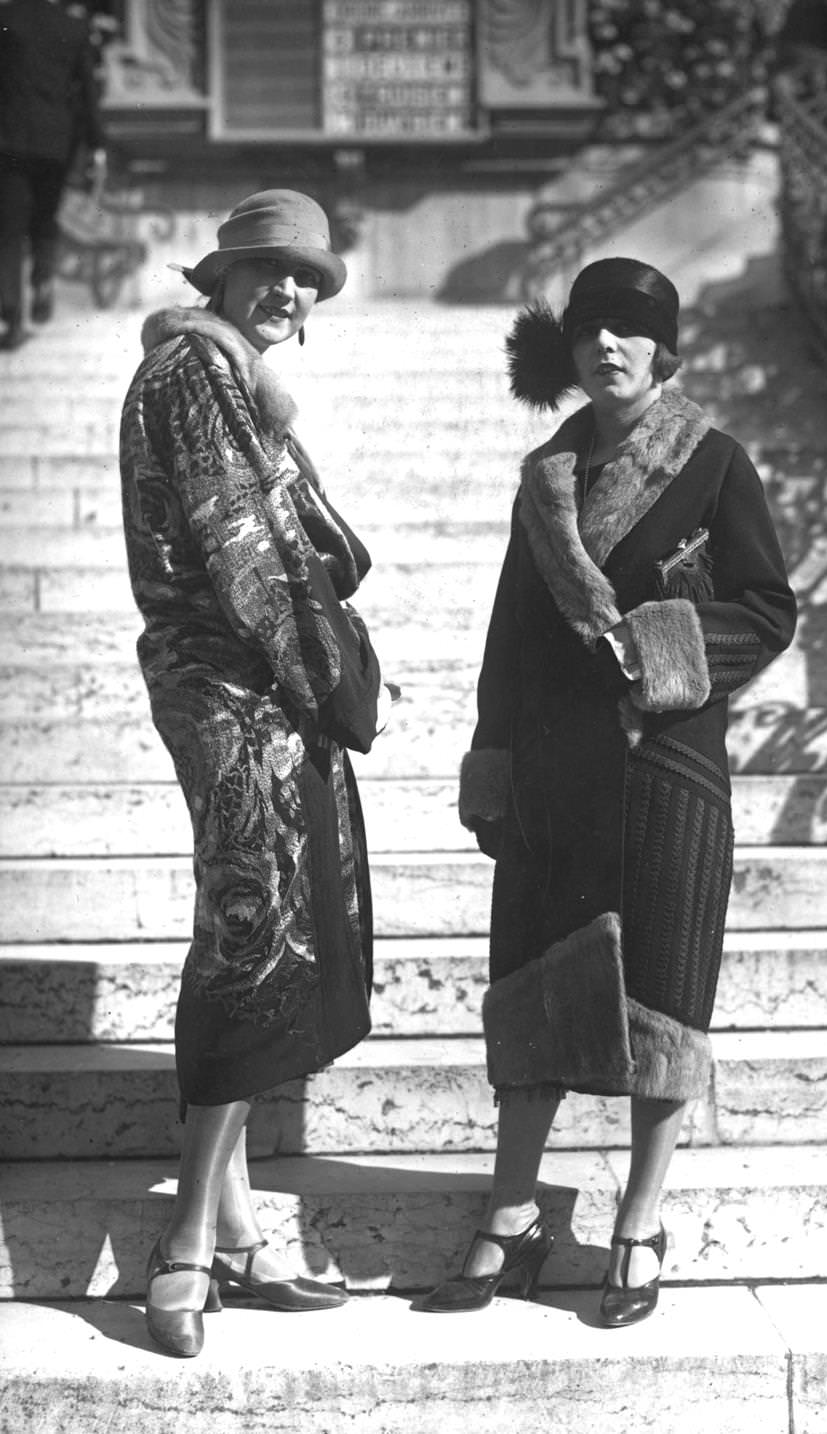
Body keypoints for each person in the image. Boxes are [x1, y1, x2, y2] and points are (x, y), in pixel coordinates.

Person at [419, 258, 796, 1326]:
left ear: (661, 348)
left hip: (667, 765)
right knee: (535, 986)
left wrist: (659, 652)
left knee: (663, 999)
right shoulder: (545, 476)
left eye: (629, 331)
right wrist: (492, 764)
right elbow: (508, 639)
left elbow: (766, 609)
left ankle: (638, 1220)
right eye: (590, 332)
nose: (608, 348)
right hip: (549, 770)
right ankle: (511, 1213)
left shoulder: (714, 463)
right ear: (569, 351)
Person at [119, 189, 390, 1358]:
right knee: (250, 933)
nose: (287, 292)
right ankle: (184, 1242)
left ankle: (229, 1227)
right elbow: (243, 547)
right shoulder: (196, 374)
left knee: (263, 923)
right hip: (237, 683)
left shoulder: (221, 374)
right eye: (268, 272)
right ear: (219, 280)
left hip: (249, 685)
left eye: (306, 279)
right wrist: (334, 676)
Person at [0, 0, 107, 349]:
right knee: (45, 218)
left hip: (9, 140)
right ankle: (43, 277)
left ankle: (12, 317)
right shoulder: (72, 28)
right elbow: (88, 92)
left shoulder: (5, 19)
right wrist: (96, 143)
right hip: (55, 144)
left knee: (9, 230)